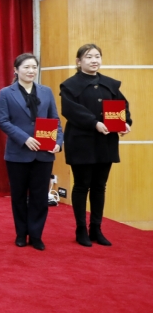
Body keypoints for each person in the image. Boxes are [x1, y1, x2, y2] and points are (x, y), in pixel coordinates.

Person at [60, 44, 131, 247]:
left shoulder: (110, 84)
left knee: (100, 186)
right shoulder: (69, 85)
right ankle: (81, 229)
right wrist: (94, 123)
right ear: (79, 61)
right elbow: (70, 110)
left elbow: (122, 107)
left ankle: (96, 228)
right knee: (82, 185)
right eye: (89, 57)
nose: (94, 60)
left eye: (97, 56)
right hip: (81, 142)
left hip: (105, 142)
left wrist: (126, 122)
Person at [0, 53, 63, 251]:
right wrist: (24, 138)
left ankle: (36, 235)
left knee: (40, 197)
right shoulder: (6, 93)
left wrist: (58, 142)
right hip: (18, 152)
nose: (31, 71)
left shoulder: (46, 91)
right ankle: (20, 233)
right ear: (16, 70)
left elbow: (55, 120)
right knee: (18, 196)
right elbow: (3, 121)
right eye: (26, 67)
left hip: (44, 153)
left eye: (34, 67)